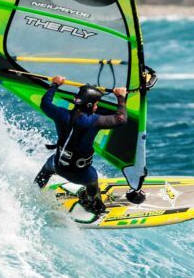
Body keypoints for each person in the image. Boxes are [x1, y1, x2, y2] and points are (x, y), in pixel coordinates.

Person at [34, 76, 128, 215]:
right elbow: (121, 119)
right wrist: (120, 97)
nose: (97, 107)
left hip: (57, 165)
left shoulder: (61, 114)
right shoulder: (94, 121)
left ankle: (34, 190)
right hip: (79, 175)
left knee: (49, 165)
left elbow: (45, 103)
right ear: (90, 106)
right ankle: (94, 206)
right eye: (96, 104)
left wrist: (54, 85)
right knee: (93, 179)